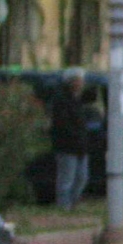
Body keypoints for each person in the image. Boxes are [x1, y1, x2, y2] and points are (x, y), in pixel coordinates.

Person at [48, 69, 91, 209]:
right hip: (67, 146)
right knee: (66, 179)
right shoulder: (62, 100)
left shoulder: (78, 99)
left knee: (81, 177)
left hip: (80, 146)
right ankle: (64, 205)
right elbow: (62, 124)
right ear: (71, 82)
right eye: (78, 80)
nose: (81, 83)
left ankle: (74, 201)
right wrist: (75, 135)